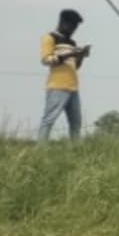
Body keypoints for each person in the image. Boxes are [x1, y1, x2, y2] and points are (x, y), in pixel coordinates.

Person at [37, 9, 92, 142]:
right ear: (63, 23)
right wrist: (71, 54)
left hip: (73, 87)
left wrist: (81, 56)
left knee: (76, 122)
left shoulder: (72, 43)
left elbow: (75, 66)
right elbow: (46, 60)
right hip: (57, 86)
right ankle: (41, 148)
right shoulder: (49, 38)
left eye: (75, 27)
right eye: (72, 26)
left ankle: (75, 150)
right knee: (49, 119)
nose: (73, 30)